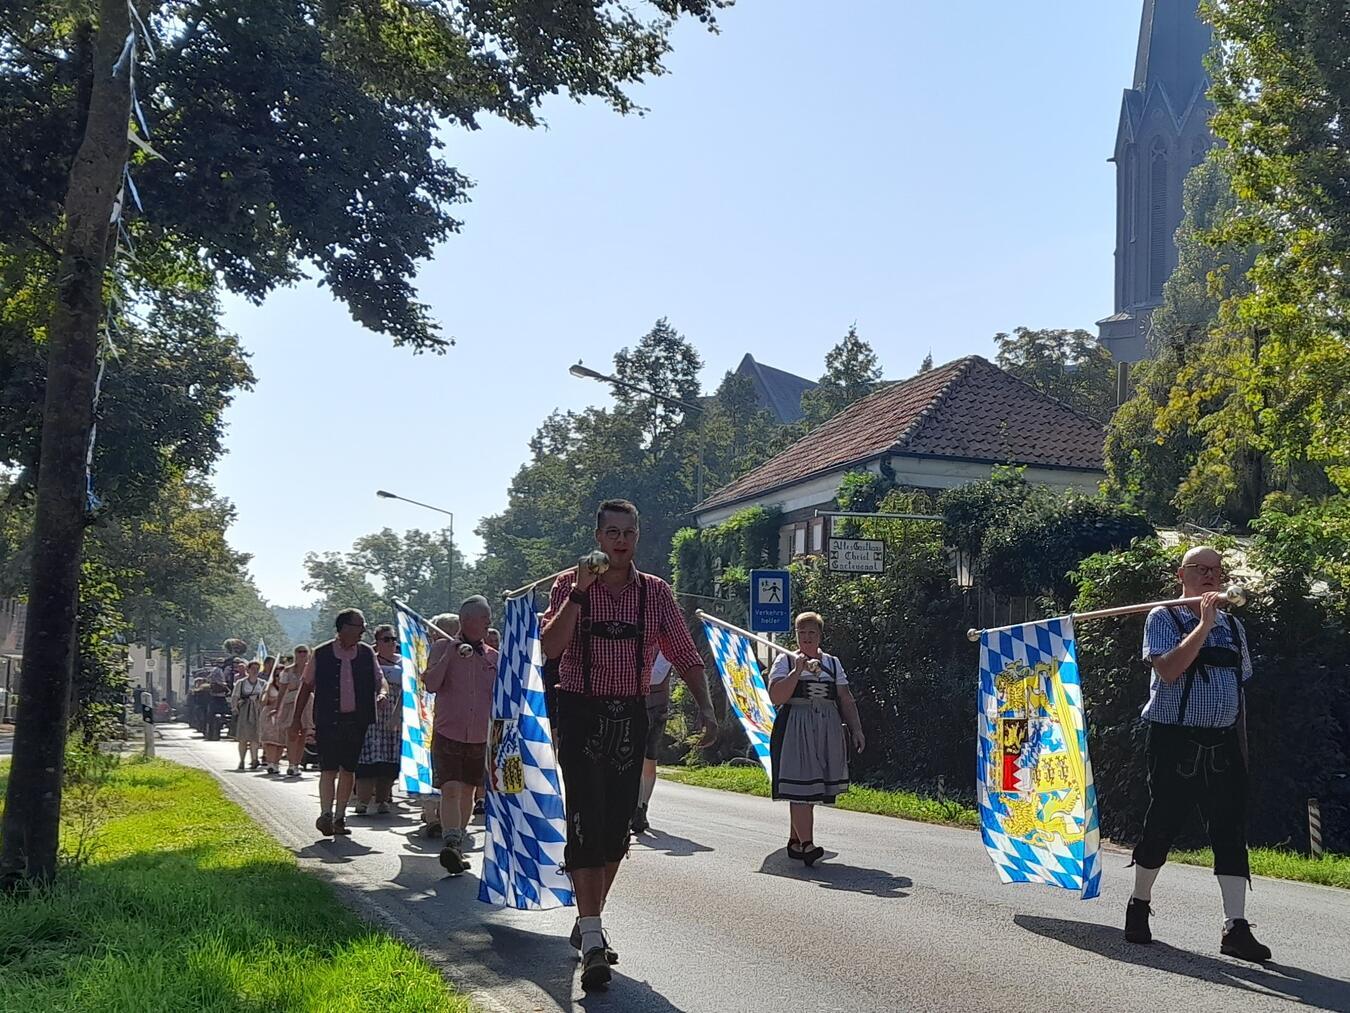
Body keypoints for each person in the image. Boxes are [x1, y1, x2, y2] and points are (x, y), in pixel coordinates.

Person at [541, 499, 718, 991]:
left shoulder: (655, 593)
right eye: (612, 532)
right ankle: (595, 940)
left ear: (637, 537)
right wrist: (578, 594)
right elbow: (551, 648)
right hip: (579, 713)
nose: (620, 540)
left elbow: (684, 651)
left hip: (629, 715)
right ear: (598, 536)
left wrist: (706, 707)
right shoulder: (568, 585)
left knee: (618, 830)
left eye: (629, 532)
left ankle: (589, 919)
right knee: (585, 820)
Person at [1125, 546, 1270, 962]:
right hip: (1174, 739)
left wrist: (1242, 751)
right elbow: (1168, 670)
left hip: (1222, 743)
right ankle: (1139, 904)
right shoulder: (1163, 617)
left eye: (1216, 570)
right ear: (1182, 575)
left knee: (1229, 831)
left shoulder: (1234, 627)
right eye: (1200, 569)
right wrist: (1203, 625)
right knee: (1162, 824)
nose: (1210, 576)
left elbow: (1238, 688)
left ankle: (1236, 927)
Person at [767, 612, 865, 866]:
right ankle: (808, 844)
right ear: (796, 636)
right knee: (800, 783)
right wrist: (797, 671)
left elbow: (844, 697)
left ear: (820, 635)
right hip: (796, 725)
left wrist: (856, 729)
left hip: (826, 726)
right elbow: (777, 697)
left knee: (812, 785)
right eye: (802, 633)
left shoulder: (832, 663)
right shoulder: (785, 661)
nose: (806, 638)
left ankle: (795, 840)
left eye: (811, 633)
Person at [422, 597, 498, 874]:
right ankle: (451, 838)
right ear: (467, 620)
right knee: (451, 788)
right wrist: (450, 655)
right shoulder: (442, 647)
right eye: (484, 618)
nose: (489, 624)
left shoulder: (492, 657)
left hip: (479, 736)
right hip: (448, 732)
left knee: (468, 791)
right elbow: (430, 684)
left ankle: (457, 843)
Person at [290, 609, 382, 837]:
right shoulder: (321, 653)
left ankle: (340, 816)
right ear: (344, 627)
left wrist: (381, 694)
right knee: (328, 768)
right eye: (360, 626)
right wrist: (295, 721)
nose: (363, 631)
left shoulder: (366, 653)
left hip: (356, 720)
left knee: (348, 768)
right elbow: (305, 687)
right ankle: (325, 814)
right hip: (328, 719)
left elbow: (379, 681)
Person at [354, 624, 403, 815]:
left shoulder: (403, 662)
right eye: (386, 639)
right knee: (369, 757)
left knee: (389, 758)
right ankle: (363, 801)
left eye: (393, 639)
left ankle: (383, 799)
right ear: (377, 642)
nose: (391, 643)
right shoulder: (370, 661)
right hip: (373, 713)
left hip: (395, 712)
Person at [630, 651, 673, 834]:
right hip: (635, 705)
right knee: (636, 759)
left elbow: (656, 676)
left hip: (655, 709)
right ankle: (636, 807)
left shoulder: (665, 647)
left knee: (648, 760)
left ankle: (642, 807)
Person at [230, 660, 268, 771]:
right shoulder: (241, 683)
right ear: (248, 670)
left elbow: (265, 697)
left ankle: (254, 759)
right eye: (252, 669)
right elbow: (235, 696)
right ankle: (242, 760)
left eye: (257, 669)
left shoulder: (262, 683)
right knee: (243, 738)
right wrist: (235, 708)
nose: (255, 671)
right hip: (244, 711)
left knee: (255, 737)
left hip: (257, 711)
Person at [260, 656, 289, 774]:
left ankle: (276, 763)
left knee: (280, 741)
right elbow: (262, 702)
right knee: (270, 740)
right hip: (269, 714)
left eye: (281, 675)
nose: (279, 678)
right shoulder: (269, 686)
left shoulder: (288, 687)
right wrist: (267, 695)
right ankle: (271, 763)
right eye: (277, 675)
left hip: (283, 714)